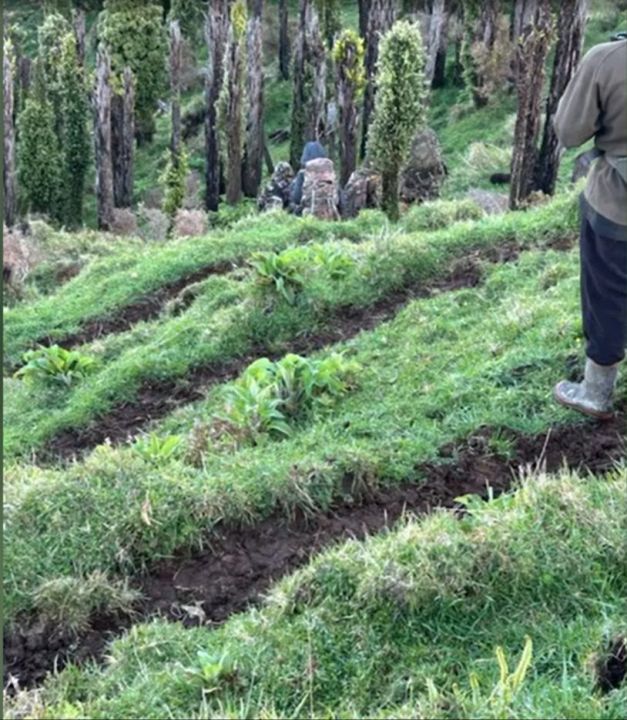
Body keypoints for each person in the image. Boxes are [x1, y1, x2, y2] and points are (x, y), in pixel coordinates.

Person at [552, 35, 627, 420]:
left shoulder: (607, 58)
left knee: (607, 294)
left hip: (618, 206)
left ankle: (596, 392)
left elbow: (568, 132)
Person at [289, 141, 328, 215]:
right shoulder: (328, 173)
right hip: (329, 212)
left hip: (308, 213)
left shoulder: (303, 174)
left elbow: (296, 198)